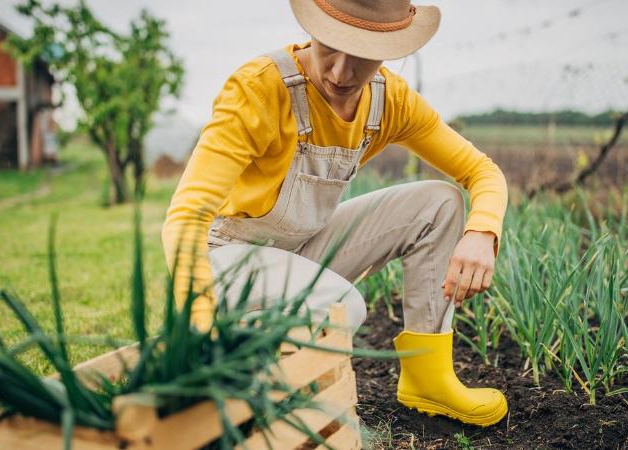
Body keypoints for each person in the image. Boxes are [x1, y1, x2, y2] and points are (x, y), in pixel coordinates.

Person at [161, 0, 509, 427]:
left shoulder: (389, 102)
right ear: (314, 28)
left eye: (362, 57)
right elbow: (186, 217)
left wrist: (483, 231)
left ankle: (426, 379)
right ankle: (251, 379)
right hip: (228, 260)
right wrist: (199, 323)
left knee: (439, 201)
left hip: (301, 249)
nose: (341, 73)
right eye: (330, 47)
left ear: (391, 46)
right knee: (342, 305)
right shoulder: (259, 89)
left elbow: (482, 171)